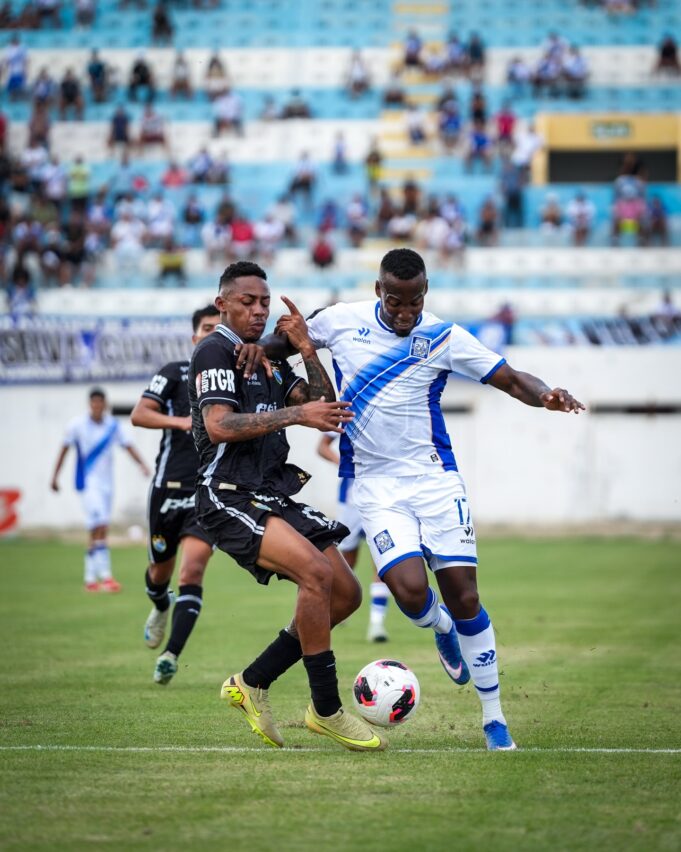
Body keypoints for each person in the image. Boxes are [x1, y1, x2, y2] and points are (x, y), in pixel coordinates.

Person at [271, 247, 584, 751]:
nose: (404, 312)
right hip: (375, 484)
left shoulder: (443, 336)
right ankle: (440, 627)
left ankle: (494, 718)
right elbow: (283, 343)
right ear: (379, 291)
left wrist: (545, 394)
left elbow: (509, 377)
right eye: (395, 301)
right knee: (411, 591)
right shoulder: (338, 321)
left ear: (425, 294)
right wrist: (251, 350)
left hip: (435, 481)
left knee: (467, 597)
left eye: (414, 302)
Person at [187, 261, 386, 752]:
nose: (259, 310)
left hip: (272, 493)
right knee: (316, 576)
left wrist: (304, 347)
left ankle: (252, 681)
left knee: (346, 593)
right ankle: (327, 709)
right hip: (228, 493)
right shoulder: (214, 350)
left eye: (264, 303)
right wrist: (297, 414)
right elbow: (218, 426)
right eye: (248, 302)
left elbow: (328, 407)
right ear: (223, 304)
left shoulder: (267, 360)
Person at [131, 305, 225, 684]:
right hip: (168, 486)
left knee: (193, 568)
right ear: (194, 337)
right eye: (206, 328)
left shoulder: (237, 377)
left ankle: (171, 654)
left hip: (209, 489)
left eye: (219, 329)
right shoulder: (175, 372)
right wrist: (181, 421)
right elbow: (140, 414)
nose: (212, 333)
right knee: (160, 570)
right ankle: (160, 603)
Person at [50, 387, 151, 592]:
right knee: (101, 526)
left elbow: (127, 446)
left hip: (107, 484)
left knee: (96, 528)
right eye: (94, 403)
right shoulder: (76, 425)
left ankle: (90, 579)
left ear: (104, 405)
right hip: (87, 483)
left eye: (100, 403)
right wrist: (55, 476)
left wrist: (142, 464)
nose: (97, 406)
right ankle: (105, 577)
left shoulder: (112, 426)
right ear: (90, 404)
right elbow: (64, 449)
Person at [317, 433, 390, 642]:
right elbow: (322, 447)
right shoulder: (347, 411)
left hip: (383, 502)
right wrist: (342, 463)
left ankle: (377, 625)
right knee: (345, 561)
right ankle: (337, 607)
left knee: (382, 561)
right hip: (350, 504)